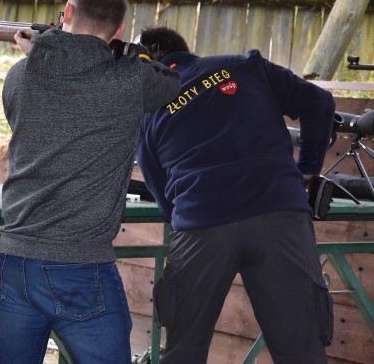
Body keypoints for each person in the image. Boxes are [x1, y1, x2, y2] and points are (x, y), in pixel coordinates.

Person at [0, 0, 181, 364]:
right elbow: (171, 83)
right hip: (81, 265)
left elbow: (26, 123)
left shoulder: (20, 74)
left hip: (15, 260)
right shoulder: (131, 79)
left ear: (69, 13)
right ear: (120, 29)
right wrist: (126, 54)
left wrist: (41, 52)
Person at [136, 26, 336, 363]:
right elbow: (319, 102)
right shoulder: (245, 65)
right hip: (279, 213)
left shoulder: (149, 108)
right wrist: (307, 171)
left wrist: (193, 210)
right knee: (302, 351)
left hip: (202, 223)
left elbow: (162, 196)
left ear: (151, 56)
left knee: (184, 351)